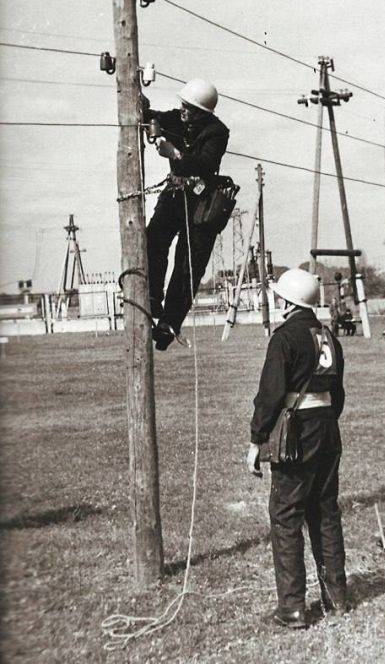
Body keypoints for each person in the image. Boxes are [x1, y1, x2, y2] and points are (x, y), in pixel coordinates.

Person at [247, 268, 348, 629]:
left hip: (297, 435)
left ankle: (292, 607)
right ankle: (336, 598)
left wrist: (257, 440)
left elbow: (270, 395)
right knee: (325, 513)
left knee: (286, 517)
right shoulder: (328, 336)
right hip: (327, 430)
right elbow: (337, 395)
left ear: (286, 301)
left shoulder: (284, 338)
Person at [142, 79, 229, 350]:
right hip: (175, 195)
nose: (183, 111)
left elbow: (205, 164)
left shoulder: (217, 132)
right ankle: (152, 297)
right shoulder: (176, 119)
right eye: (183, 105)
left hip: (201, 203)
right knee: (153, 239)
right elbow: (149, 115)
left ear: (202, 112)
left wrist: (175, 153)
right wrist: (140, 101)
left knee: (188, 265)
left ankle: (169, 325)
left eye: (188, 108)